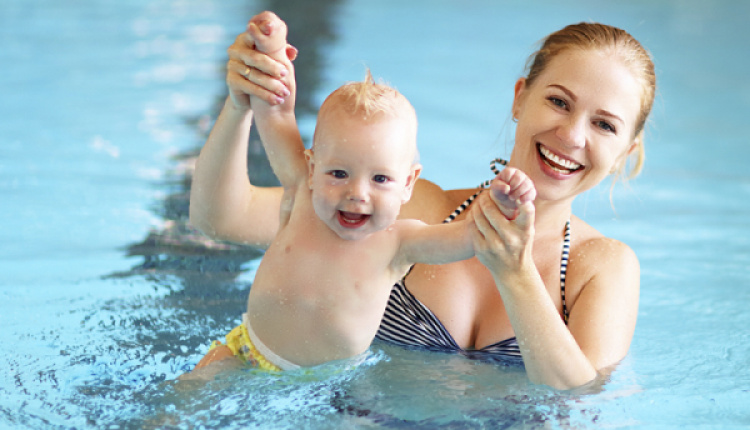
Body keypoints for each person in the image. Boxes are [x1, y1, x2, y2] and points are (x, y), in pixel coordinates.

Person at [190, 12, 656, 389]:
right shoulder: (400, 208)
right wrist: (238, 105)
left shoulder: (602, 266)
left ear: (624, 154)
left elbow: (582, 402)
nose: (572, 135)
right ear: (520, 99)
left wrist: (513, 272)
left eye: (605, 125)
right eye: (559, 102)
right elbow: (222, 220)